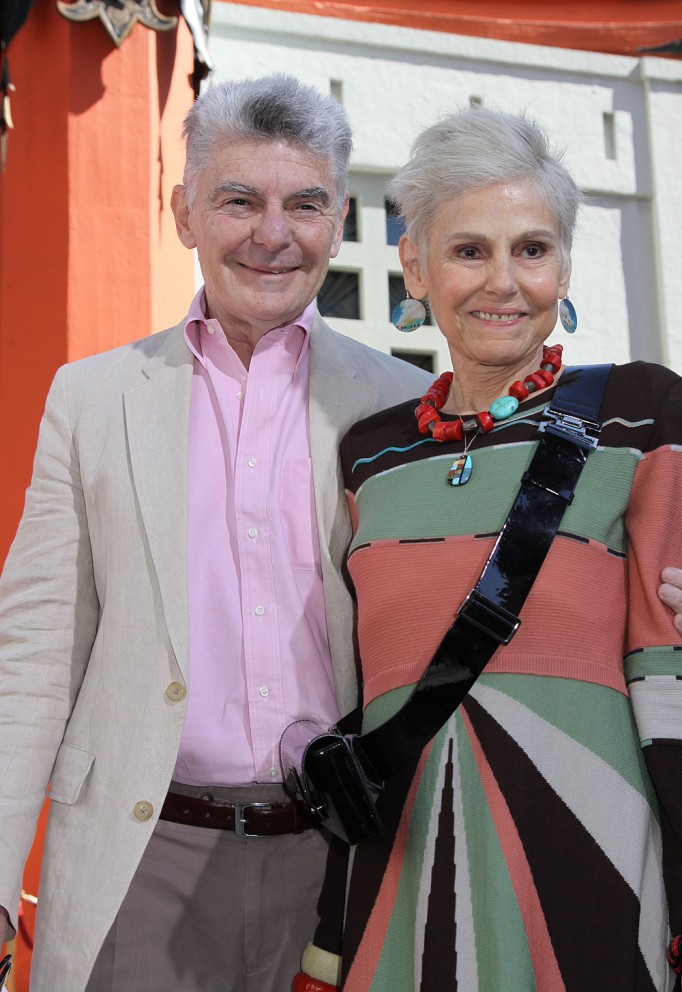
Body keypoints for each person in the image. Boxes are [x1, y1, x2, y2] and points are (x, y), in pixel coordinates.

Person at [0, 75, 431, 992]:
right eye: (238, 200)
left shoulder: (402, 406)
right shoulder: (94, 397)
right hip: (138, 856)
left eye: (305, 203)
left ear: (339, 214)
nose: (272, 234)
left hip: (345, 864)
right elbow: (33, 655)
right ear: (185, 211)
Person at [294, 106, 682, 992]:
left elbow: (670, 681)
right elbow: (357, 703)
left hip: (593, 861)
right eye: (469, 251)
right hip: (400, 863)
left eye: (532, 249)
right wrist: (330, 927)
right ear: (416, 267)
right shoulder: (369, 454)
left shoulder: (645, 412)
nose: (503, 282)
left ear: (565, 266)